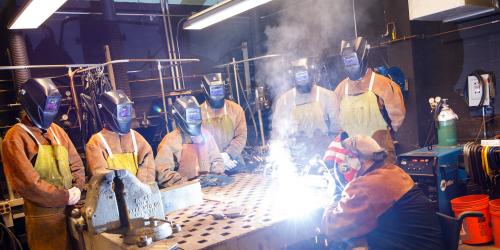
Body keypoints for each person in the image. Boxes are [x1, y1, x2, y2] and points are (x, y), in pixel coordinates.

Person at [1, 78, 85, 250]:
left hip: (73, 215)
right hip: (45, 223)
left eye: (54, 105)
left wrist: (77, 187)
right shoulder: (14, 137)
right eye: (48, 105)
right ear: (32, 104)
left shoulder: (58, 131)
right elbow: (28, 184)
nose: (51, 110)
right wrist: (64, 196)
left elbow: (76, 164)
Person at [321, 135, 445, 249]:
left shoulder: (366, 186)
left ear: (353, 159)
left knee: (338, 245)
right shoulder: (391, 170)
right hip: (424, 245)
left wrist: (332, 197)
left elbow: (332, 228)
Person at [85, 90, 182, 188]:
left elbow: (147, 168)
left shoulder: (136, 138)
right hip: (113, 198)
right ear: (108, 113)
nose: (125, 116)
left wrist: (140, 188)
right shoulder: (96, 143)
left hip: (139, 195)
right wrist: (120, 191)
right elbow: (100, 175)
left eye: (127, 111)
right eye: (122, 112)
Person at [332, 37, 406, 163]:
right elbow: (336, 121)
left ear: (362, 58)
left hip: (379, 152)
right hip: (351, 157)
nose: (350, 65)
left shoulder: (383, 84)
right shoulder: (340, 89)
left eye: (352, 60)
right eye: (347, 61)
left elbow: (397, 117)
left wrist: (384, 135)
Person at [272, 58, 335, 159]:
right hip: (296, 156)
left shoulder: (327, 96)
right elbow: (278, 133)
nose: (302, 79)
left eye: (304, 75)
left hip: (324, 156)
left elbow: (337, 130)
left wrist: (323, 141)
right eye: (298, 75)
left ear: (311, 74)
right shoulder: (284, 101)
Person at [156, 96, 224, 180]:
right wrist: (186, 184)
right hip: (185, 191)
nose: (194, 120)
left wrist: (216, 174)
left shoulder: (206, 134)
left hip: (208, 187)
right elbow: (163, 173)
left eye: (196, 115)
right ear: (180, 117)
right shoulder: (170, 140)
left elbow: (217, 160)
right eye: (191, 116)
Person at [201, 73, 247, 171]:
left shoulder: (235, 109)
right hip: (209, 165)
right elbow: (196, 144)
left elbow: (241, 136)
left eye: (219, 90)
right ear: (205, 91)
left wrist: (228, 155)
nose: (217, 95)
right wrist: (216, 160)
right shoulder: (199, 113)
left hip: (233, 161)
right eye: (214, 91)